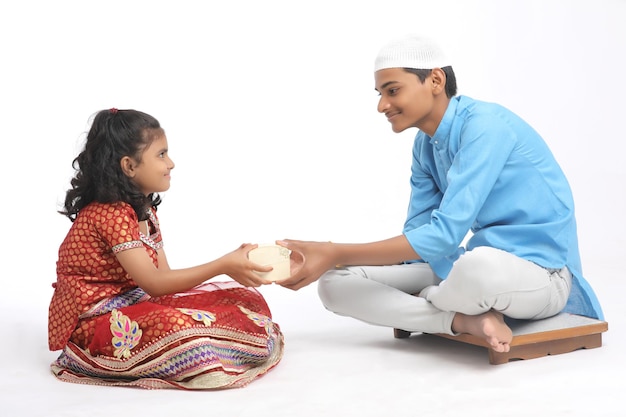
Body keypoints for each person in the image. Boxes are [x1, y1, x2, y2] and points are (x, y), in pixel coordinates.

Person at [275, 35, 604, 354]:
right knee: (334, 283)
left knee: (478, 267)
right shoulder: (424, 146)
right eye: (379, 93)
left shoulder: (485, 126)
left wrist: (334, 251)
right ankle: (463, 319)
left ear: (434, 80)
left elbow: (444, 236)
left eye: (392, 91)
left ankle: (434, 301)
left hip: (542, 276)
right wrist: (335, 262)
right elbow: (420, 237)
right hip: (466, 269)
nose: (381, 105)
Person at [48, 108, 282, 389]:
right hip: (95, 321)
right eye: (161, 154)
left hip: (135, 302)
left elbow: (165, 280)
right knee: (179, 327)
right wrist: (223, 265)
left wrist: (229, 265)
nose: (171, 163)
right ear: (129, 166)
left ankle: (214, 348)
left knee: (243, 300)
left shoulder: (143, 211)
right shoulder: (109, 213)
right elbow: (156, 284)